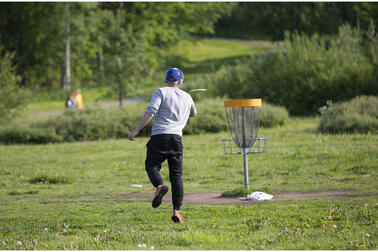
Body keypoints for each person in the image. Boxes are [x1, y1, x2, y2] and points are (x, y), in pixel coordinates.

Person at [128, 68, 196, 223]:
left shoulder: (160, 91)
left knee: (152, 166)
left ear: (166, 79)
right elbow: (193, 113)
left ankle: (159, 186)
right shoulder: (188, 96)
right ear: (180, 81)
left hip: (159, 136)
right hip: (177, 139)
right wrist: (185, 101)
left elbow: (151, 111)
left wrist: (136, 130)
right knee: (177, 176)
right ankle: (177, 211)